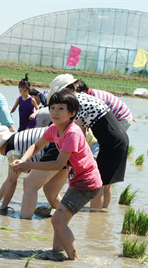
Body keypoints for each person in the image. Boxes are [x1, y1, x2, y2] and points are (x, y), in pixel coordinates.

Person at [12, 89, 101, 260]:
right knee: (59, 220)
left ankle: (74, 260)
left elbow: (59, 164)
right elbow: (36, 146)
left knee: (57, 220)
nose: (55, 112)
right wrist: (22, 159)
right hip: (77, 180)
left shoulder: (72, 133)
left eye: (61, 108)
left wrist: (28, 165)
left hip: (87, 182)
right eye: (52, 108)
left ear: (72, 113)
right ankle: (57, 255)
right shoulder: (54, 129)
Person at [48, 74, 129, 210]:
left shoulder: (76, 102)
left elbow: (77, 133)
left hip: (111, 143)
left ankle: (95, 216)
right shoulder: (83, 98)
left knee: (98, 184)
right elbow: (82, 133)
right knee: (105, 183)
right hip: (117, 139)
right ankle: (101, 217)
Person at [0, 125, 66, 214]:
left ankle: (25, 220)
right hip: (65, 142)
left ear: (2, 143)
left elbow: (12, 181)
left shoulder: (11, 149)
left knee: (30, 183)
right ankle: (63, 217)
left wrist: (3, 208)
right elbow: (9, 179)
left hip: (54, 144)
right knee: (51, 192)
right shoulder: (16, 141)